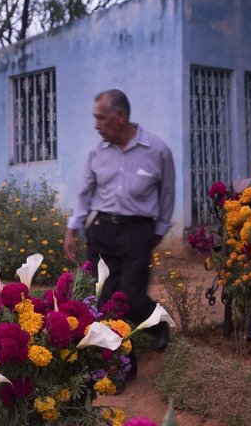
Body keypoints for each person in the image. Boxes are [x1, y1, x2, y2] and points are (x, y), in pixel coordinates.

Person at [64, 89, 175, 389]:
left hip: (138, 231)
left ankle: (159, 322)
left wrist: (159, 230)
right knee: (105, 304)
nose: (96, 124)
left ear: (120, 116)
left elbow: (166, 195)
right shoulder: (96, 153)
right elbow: (85, 195)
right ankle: (123, 367)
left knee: (130, 297)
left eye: (101, 117)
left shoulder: (157, 150)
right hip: (101, 232)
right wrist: (72, 230)